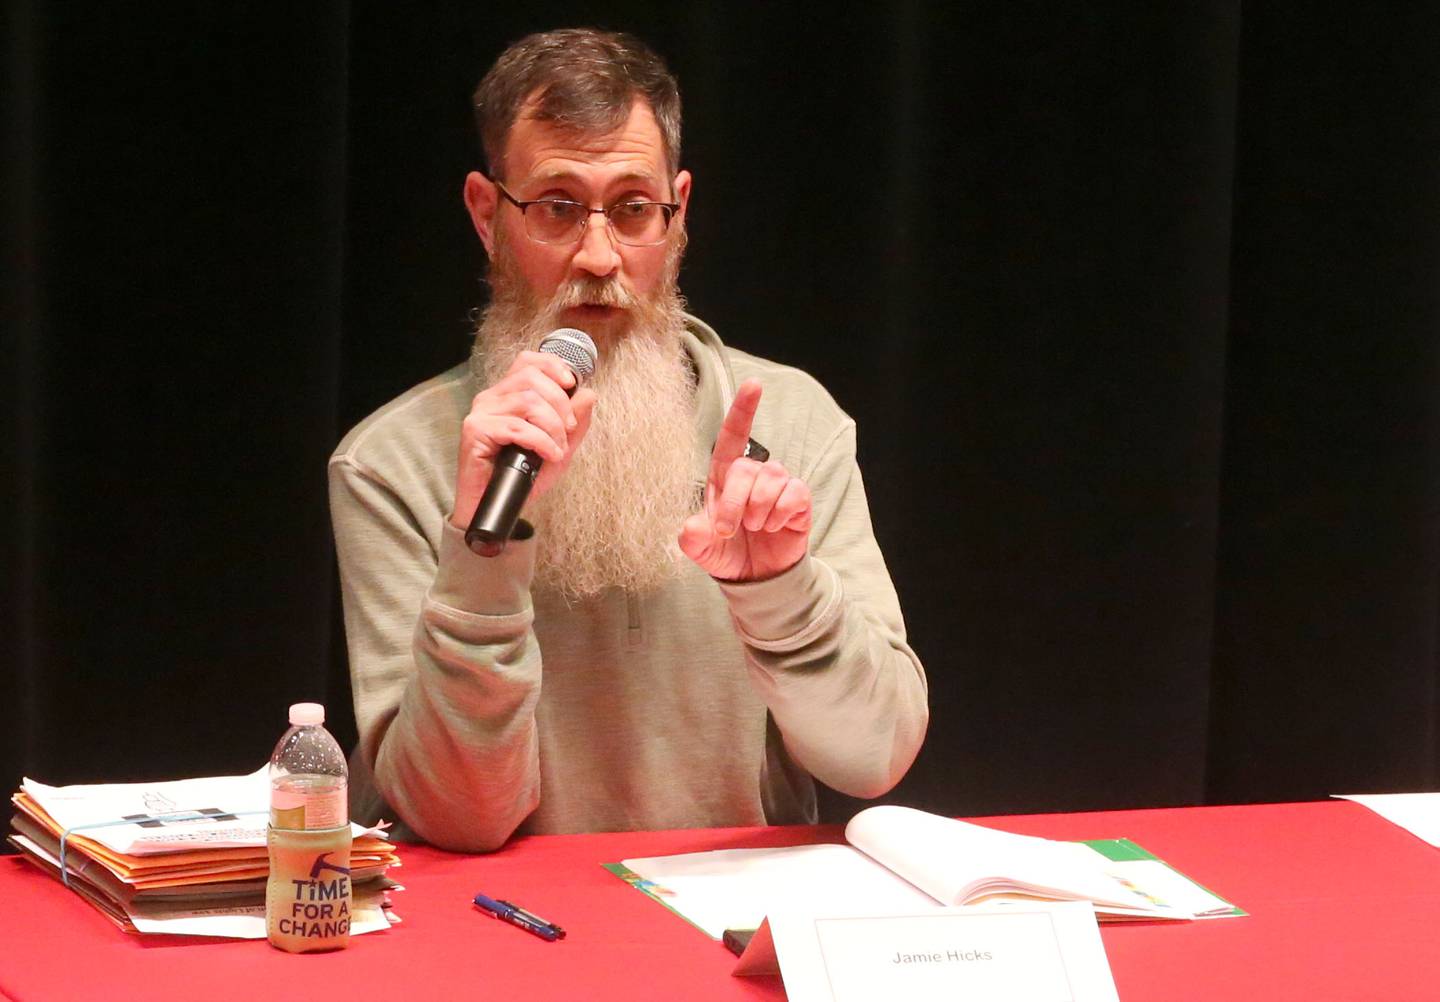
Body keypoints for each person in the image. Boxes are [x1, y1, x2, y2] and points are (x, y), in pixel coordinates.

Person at [329, 28, 928, 851]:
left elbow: (875, 756)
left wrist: (781, 589)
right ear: (485, 214)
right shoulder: (389, 462)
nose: (600, 255)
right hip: (503, 938)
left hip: (732, 930)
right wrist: (482, 552)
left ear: (678, 214)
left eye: (634, 209)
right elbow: (458, 818)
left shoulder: (791, 421)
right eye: (558, 208)